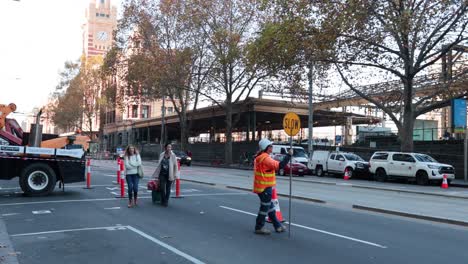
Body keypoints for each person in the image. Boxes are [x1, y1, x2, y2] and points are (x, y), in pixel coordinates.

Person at [253, 138, 292, 235]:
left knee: (270, 208)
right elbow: (280, 166)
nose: (272, 147)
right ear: (266, 148)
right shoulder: (265, 159)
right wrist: (289, 155)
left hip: (262, 187)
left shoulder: (261, 157)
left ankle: (277, 226)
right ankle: (259, 227)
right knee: (264, 209)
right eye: (270, 146)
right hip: (264, 188)